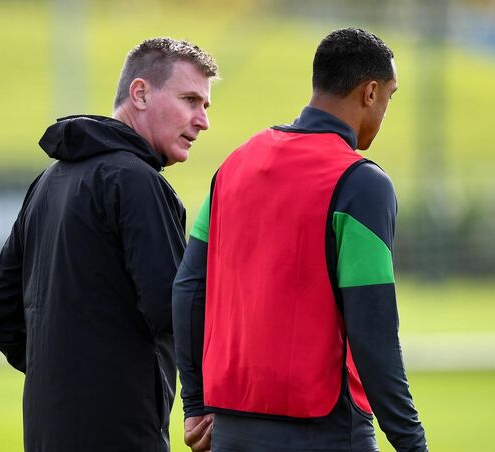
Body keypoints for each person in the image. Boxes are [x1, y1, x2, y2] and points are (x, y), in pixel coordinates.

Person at [173, 28, 428, 452]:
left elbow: (188, 289)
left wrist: (196, 402)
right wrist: (411, 442)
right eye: (389, 96)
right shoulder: (361, 184)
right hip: (325, 429)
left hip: (230, 430)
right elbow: (374, 332)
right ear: (369, 93)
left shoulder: (234, 166)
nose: (386, 108)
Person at [0, 37, 217, 452]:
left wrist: (63, 377)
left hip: (46, 432)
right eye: (189, 99)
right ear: (139, 93)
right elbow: (172, 308)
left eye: (205, 106)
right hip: (121, 433)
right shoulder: (138, 183)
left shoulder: (48, 182)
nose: (202, 120)